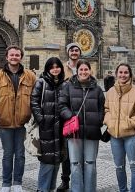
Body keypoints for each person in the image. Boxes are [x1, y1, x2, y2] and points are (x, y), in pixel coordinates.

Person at [0, 45, 36, 192]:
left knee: (20, 155)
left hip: (23, 123)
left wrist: (30, 112)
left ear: (21, 57)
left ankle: (17, 183)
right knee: (7, 154)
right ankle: (6, 183)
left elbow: (36, 96)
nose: (14, 57)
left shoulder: (30, 76)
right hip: (5, 122)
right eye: (12, 55)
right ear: (7, 57)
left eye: (17, 55)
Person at [59, 60, 105, 192]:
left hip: (92, 131)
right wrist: (70, 117)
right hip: (74, 131)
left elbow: (102, 107)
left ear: (90, 71)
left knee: (90, 163)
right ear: (77, 71)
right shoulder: (68, 86)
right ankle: (77, 190)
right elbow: (62, 105)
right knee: (75, 163)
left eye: (86, 69)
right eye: (81, 70)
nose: (84, 72)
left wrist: (98, 120)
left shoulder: (97, 88)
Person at [104, 63, 135, 192]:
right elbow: (106, 110)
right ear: (116, 74)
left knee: (134, 166)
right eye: (120, 72)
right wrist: (110, 122)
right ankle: (122, 190)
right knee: (119, 166)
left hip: (133, 135)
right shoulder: (111, 91)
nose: (123, 75)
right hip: (115, 136)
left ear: (130, 74)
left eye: (126, 72)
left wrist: (129, 123)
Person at [31, 57, 66, 192]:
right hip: (46, 127)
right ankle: (42, 189)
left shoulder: (64, 84)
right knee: (47, 160)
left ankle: (50, 188)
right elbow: (34, 101)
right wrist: (41, 119)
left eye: (57, 66)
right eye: (52, 67)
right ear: (47, 69)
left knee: (57, 159)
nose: (55, 69)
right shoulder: (41, 82)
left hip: (61, 127)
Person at [58, 42, 82, 192]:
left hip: (81, 114)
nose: (74, 52)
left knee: (81, 150)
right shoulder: (62, 68)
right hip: (66, 114)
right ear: (68, 52)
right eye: (72, 50)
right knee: (66, 150)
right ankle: (65, 180)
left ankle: (79, 180)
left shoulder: (84, 67)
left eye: (77, 50)